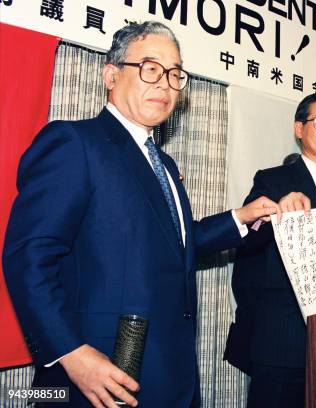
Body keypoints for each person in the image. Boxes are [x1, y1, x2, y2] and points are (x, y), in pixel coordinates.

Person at [2, 22, 278, 408]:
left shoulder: (162, 163)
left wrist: (239, 219)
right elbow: (27, 257)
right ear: (111, 74)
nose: (165, 84)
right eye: (151, 68)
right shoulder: (74, 143)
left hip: (171, 373)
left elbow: (176, 245)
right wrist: (72, 353)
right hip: (99, 377)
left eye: (175, 74)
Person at [224, 93, 316, 407]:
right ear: (299, 129)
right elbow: (247, 242)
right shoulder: (273, 180)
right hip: (282, 340)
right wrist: (272, 215)